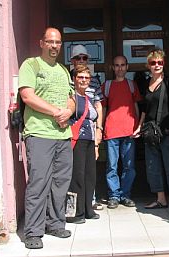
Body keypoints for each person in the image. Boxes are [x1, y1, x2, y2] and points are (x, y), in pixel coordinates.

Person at [18, 27, 75, 249]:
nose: (54, 46)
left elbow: (71, 98)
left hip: (63, 135)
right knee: (39, 182)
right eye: (50, 42)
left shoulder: (63, 70)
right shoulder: (30, 65)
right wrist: (56, 112)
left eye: (58, 42)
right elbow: (27, 96)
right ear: (41, 43)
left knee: (60, 182)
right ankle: (33, 231)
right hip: (39, 133)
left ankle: (55, 223)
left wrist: (68, 111)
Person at [133, 49, 169, 212]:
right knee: (153, 166)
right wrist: (140, 126)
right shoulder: (145, 84)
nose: (156, 65)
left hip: (168, 130)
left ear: (164, 64)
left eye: (159, 62)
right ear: (148, 65)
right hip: (151, 132)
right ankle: (160, 199)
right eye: (153, 63)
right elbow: (143, 109)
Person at [101, 55, 142, 209]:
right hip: (111, 131)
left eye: (122, 65)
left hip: (129, 131)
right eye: (117, 65)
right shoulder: (107, 85)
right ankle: (113, 195)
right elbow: (103, 107)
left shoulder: (132, 85)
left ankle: (125, 194)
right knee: (111, 166)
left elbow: (136, 106)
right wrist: (101, 127)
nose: (120, 68)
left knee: (129, 166)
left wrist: (137, 125)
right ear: (112, 67)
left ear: (127, 67)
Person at [70, 44, 104, 210]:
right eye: (78, 58)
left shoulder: (95, 81)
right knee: (77, 172)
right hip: (74, 134)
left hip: (90, 132)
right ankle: (76, 209)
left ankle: (89, 203)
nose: (81, 60)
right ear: (72, 60)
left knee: (90, 171)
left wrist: (99, 129)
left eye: (84, 58)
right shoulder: (67, 79)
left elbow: (98, 106)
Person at [66, 64, 100, 224]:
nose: (84, 80)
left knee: (90, 176)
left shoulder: (88, 98)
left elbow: (93, 119)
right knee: (76, 177)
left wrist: (96, 144)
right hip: (77, 141)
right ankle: (74, 213)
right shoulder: (71, 98)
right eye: (80, 77)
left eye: (86, 77)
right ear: (74, 79)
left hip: (89, 140)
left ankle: (88, 209)